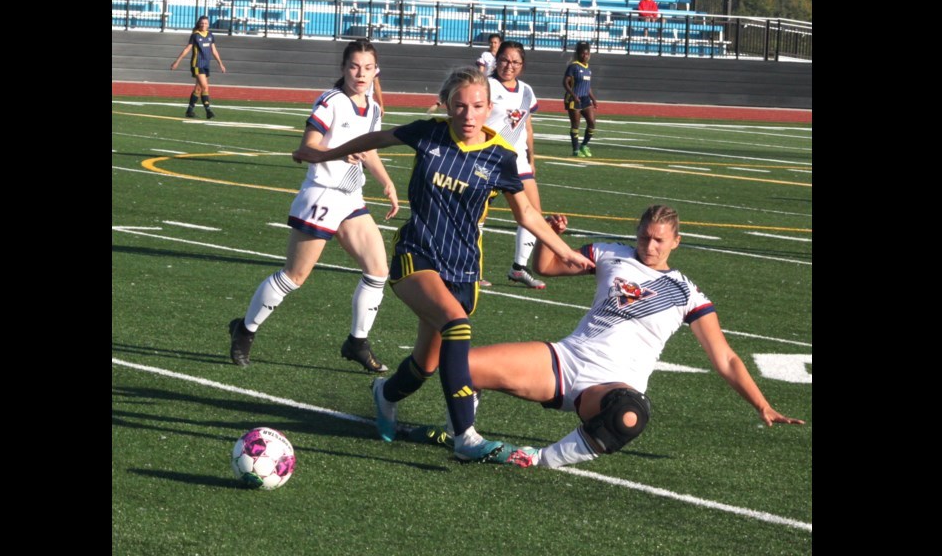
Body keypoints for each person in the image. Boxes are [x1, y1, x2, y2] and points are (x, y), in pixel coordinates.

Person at [292, 66, 594, 463]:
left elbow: (528, 215)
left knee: (426, 364)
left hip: (463, 267)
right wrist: (324, 152)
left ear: (490, 108)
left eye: (478, 106)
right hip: (416, 254)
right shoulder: (428, 132)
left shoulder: (501, 155)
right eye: (460, 106)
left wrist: (567, 252)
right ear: (448, 106)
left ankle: (384, 395)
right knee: (457, 325)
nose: (468, 115)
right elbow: (375, 139)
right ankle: (465, 436)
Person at [424, 205, 806, 468]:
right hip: (565, 360)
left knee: (628, 416)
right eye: (644, 237)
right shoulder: (610, 253)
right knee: (462, 366)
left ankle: (539, 459)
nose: (650, 246)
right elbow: (547, 267)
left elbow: (725, 358)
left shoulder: (687, 292)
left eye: (659, 240)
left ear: (676, 241)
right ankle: (464, 436)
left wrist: (762, 405)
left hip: (611, 385)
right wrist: (549, 237)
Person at [227, 40, 400, 373]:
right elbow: (305, 148)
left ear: (376, 71)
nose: (360, 74)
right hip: (322, 194)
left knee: (378, 271)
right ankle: (244, 330)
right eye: (354, 66)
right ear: (343, 68)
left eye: (367, 68)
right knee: (295, 276)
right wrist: (335, 153)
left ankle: (357, 342)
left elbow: (370, 149)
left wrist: (386, 182)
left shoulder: (374, 107)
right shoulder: (331, 100)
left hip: (351, 197)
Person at [485, 41, 546, 290]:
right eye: (505, 60)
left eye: (515, 62)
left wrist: (532, 158)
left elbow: (527, 127)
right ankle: (469, 269)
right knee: (475, 216)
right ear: (496, 60)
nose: (509, 66)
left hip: (516, 160)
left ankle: (518, 268)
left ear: (522, 66)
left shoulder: (527, 91)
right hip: (487, 158)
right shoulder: (485, 86)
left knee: (532, 215)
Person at [170, 16, 226, 119]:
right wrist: (177, 61)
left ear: (208, 24)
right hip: (197, 64)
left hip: (206, 64)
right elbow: (187, 49)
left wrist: (220, 63)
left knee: (198, 88)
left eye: (205, 23)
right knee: (205, 87)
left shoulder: (210, 35)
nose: (203, 25)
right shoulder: (195, 35)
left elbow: (214, 50)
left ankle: (189, 111)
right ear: (199, 24)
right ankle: (208, 111)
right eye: (202, 23)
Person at [563, 41, 598, 157]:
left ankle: (584, 145)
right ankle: (576, 150)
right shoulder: (573, 66)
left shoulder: (588, 69)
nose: (585, 56)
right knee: (575, 125)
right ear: (579, 54)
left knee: (592, 123)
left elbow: (587, 87)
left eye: (587, 54)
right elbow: (565, 82)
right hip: (574, 99)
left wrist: (593, 99)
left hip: (585, 99)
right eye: (583, 54)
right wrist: (573, 95)